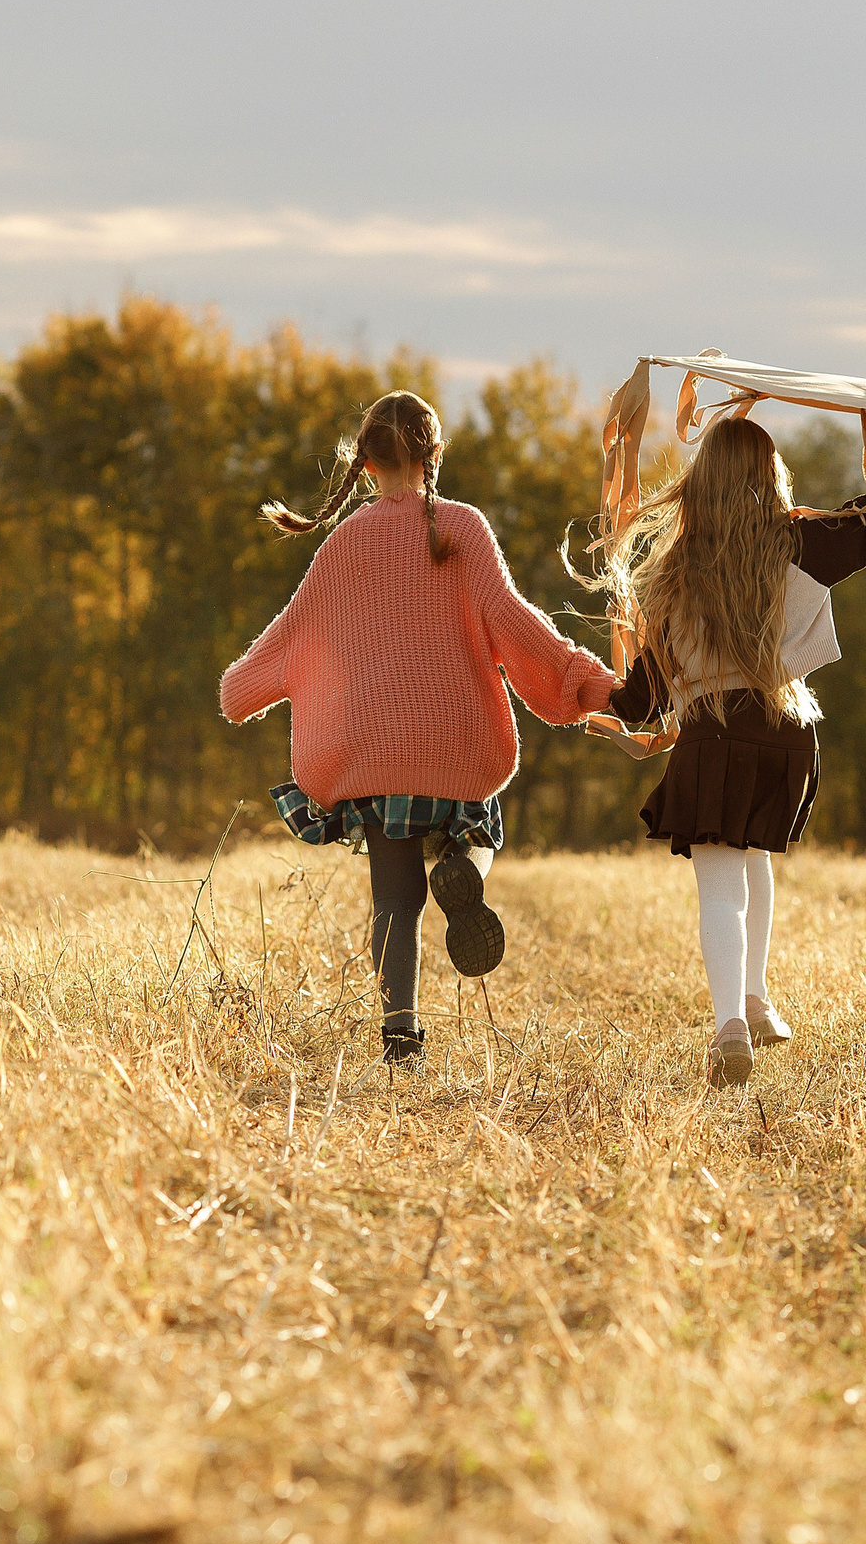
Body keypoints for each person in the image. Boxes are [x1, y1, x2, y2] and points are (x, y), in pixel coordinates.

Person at [220, 391, 618, 1072]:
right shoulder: (461, 527)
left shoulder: (342, 544)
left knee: (393, 899)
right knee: (482, 818)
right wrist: (596, 684)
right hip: (456, 749)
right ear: (437, 455)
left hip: (372, 758)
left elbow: (269, 661)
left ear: (365, 462)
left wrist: (243, 691)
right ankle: (465, 867)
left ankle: (400, 1033)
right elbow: (517, 626)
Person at [594, 410, 866, 1087]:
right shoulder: (801, 542)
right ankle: (756, 999)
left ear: (700, 483)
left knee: (721, 884)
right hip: (786, 735)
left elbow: (643, 696)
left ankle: (729, 1028)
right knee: (754, 854)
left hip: (714, 734)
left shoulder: (674, 570)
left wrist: (591, 700)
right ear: (771, 477)